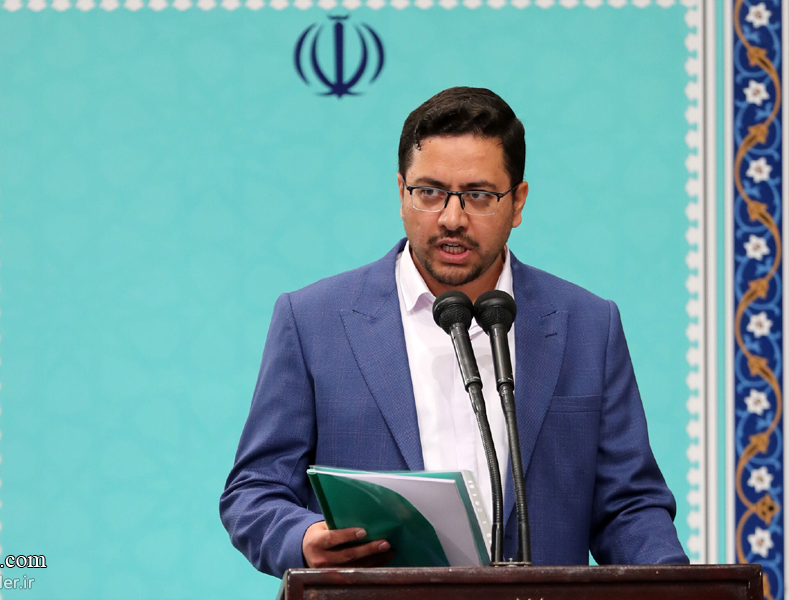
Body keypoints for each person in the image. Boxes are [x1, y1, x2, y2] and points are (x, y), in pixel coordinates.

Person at [220, 87, 688, 577]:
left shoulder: (588, 326)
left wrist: (680, 587)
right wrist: (304, 538)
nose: (451, 218)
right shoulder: (313, 321)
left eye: (479, 196)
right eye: (429, 192)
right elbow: (254, 491)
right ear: (401, 193)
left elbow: (629, 506)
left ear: (518, 202)